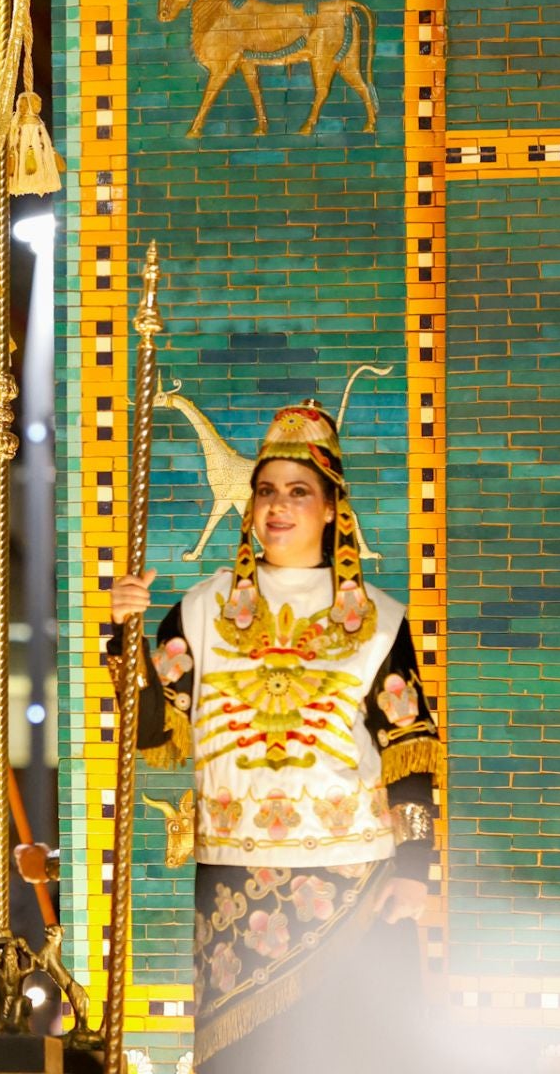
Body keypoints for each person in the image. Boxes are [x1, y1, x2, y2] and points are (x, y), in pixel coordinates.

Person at [109, 401, 438, 1073]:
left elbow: (410, 748)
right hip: (237, 869)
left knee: (356, 1050)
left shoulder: (376, 619)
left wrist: (413, 869)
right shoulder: (202, 608)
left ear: (330, 509)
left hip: (355, 872)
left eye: (298, 492)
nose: (277, 507)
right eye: (265, 491)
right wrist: (125, 638)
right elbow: (152, 732)